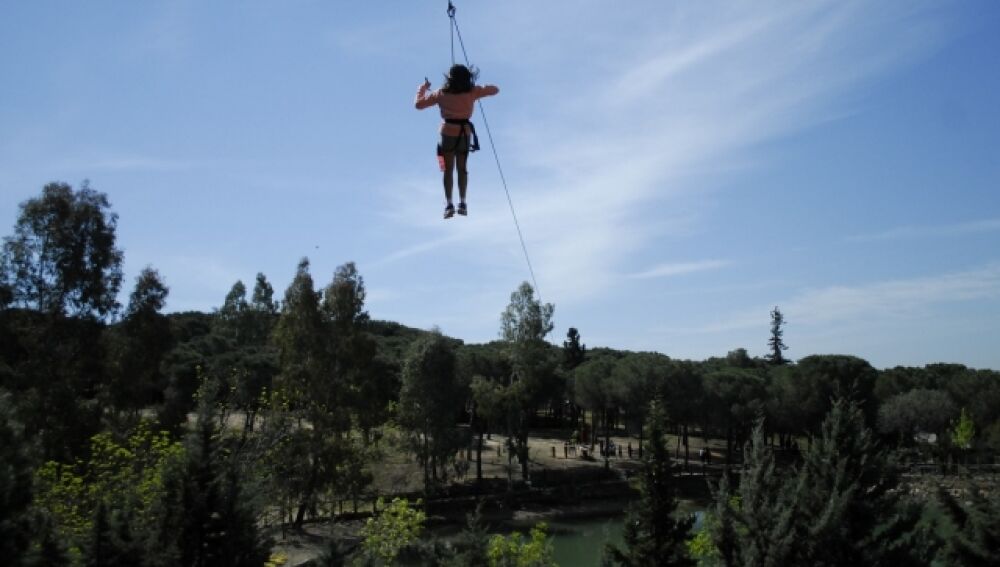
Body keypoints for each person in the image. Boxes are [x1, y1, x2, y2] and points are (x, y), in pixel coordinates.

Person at [415, 64, 499, 219]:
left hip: (447, 134)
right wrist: (477, 88)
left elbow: (418, 105)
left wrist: (423, 88)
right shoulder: (472, 92)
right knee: (462, 168)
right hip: (464, 134)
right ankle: (463, 202)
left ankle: (449, 204)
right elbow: (495, 89)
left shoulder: (441, 93)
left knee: (448, 170)